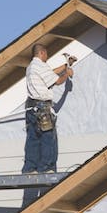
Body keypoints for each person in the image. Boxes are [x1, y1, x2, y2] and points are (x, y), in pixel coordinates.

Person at [22, 44, 74, 173]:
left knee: (33, 138)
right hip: (42, 107)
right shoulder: (40, 66)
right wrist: (67, 74)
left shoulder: (31, 67)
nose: (47, 57)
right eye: (46, 55)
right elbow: (57, 81)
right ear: (42, 53)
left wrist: (65, 66)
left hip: (31, 107)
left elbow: (50, 73)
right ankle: (47, 167)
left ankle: (30, 168)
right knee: (48, 137)